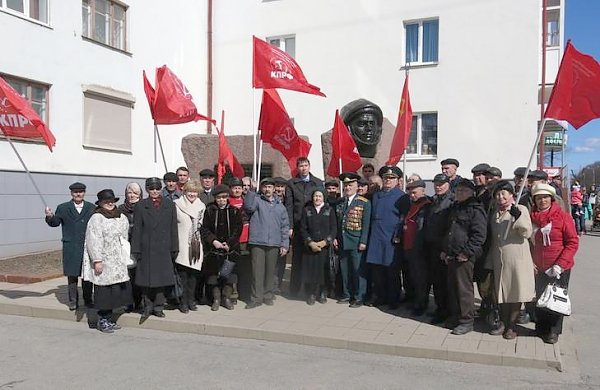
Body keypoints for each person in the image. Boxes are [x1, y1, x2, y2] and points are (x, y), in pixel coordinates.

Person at [485, 181, 535, 340]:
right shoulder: (494, 213)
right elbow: (493, 238)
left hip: (517, 259)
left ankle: (512, 327)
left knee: (515, 293)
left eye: (503, 194)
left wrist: (517, 217)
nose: (500, 197)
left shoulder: (520, 209)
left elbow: (526, 232)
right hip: (499, 259)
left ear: (511, 195)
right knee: (502, 294)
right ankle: (503, 323)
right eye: (497, 194)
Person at [530, 183, 578, 344]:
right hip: (539, 267)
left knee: (556, 299)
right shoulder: (531, 217)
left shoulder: (563, 217)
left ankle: (554, 330)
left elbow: (572, 242)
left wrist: (559, 265)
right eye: (538, 198)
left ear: (551, 199)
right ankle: (541, 327)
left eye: (545, 197)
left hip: (559, 266)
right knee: (541, 297)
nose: (542, 201)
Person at [82, 189, 132, 333]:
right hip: (104, 259)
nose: (110, 203)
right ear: (101, 203)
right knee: (104, 292)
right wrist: (97, 260)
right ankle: (102, 319)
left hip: (117, 259)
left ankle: (110, 318)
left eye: (111, 201)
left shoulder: (121, 216)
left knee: (115, 291)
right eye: (106, 201)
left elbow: (124, 236)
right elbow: (93, 239)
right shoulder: (97, 218)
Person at [442, 179, 487, 335]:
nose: (460, 193)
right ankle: (456, 316)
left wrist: (466, 253)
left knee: (464, 290)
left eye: (464, 191)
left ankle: (467, 321)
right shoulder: (455, 207)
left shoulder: (475, 209)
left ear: (471, 192)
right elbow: (449, 231)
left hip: (465, 256)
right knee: (452, 288)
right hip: (452, 254)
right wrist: (444, 250)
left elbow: (479, 235)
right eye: (458, 190)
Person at [131, 177, 178, 319]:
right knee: (146, 280)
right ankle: (147, 306)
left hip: (164, 248)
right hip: (147, 248)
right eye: (151, 189)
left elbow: (173, 228)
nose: (155, 191)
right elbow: (137, 229)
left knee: (161, 280)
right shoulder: (141, 205)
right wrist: (136, 249)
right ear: (147, 190)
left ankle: (158, 306)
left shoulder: (169, 205)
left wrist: (174, 247)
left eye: (157, 188)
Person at [45, 182, 95, 310]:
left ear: (84, 192)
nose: (78, 194)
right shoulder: (63, 207)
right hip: (71, 246)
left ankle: (88, 300)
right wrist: (50, 216)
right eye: (75, 192)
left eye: (81, 191)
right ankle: (73, 301)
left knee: (87, 275)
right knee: (72, 275)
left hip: (86, 246)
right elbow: (55, 222)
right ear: (71, 193)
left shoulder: (91, 207)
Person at [244, 178, 290, 308]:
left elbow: (285, 226)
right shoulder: (257, 201)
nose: (267, 189)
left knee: (270, 272)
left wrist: (284, 244)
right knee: (257, 272)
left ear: (274, 189)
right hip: (258, 242)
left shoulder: (280, 206)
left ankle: (267, 295)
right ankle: (256, 298)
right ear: (262, 188)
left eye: (270, 187)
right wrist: (252, 191)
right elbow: (248, 206)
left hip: (274, 243)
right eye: (265, 187)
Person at [365, 166, 404, 309]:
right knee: (377, 271)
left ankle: (394, 299)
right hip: (376, 238)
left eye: (392, 178)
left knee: (392, 271)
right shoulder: (376, 195)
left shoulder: (402, 196)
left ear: (397, 180)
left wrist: (398, 235)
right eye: (386, 178)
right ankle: (380, 297)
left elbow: (403, 218)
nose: (388, 180)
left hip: (391, 239)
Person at [285, 157, 323, 298]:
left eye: (306, 165)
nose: (304, 168)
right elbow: (289, 206)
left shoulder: (318, 182)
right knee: (297, 258)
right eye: (301, 166)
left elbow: (322, 204)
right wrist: (290, 226)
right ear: (297, 168)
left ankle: (312, 290)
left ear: (309, 166)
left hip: (313, 225)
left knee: (312, 258)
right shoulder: (291, 184)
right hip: (297, 224)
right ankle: (294, 288)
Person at [201, 184, 243, 311]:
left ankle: (226, 298)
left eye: (224, 197)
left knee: (228, 276)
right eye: (219, 198)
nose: (221, 200)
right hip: (213, 250)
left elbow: (238, 229)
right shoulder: (209, 210)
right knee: (213, 277)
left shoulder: (234, 211)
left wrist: (229, 243)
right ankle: (216, 298)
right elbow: (204, 228)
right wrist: (213, 241)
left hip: (230, 250)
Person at [334, 172, 371, 307]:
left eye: (351, 185)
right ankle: (346, 294)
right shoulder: (340, 202)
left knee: (358, 271)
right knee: (344, 270)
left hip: (356, 241)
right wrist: (335, 238)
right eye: (346, 185)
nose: (348, 187)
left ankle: (359, 296)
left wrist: (363, 241)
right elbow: (337, 223)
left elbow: (366, 224)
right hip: (343, 241)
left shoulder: (364, 203)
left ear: (357, 186)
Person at [423, 174, 454, 324]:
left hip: (444, 248)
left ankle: (446, 311)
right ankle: (439, 307)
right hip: (432, 247)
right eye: (436, 183)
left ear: (448, 184)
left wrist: (446, 248)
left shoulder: (452, 201)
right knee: (436, 280)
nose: (438, 186)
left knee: (444, 282)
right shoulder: (434, 199)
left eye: (442, 183)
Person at [299, 188, 337, 305]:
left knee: (323, 271)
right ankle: (311, 293)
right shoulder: (307, 210)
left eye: (320, 196)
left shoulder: (329, 210)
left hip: (324, 247)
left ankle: (323, 292)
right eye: (315, 196)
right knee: (311, 271)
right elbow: (303, 228)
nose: (317, 198)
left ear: (324, 198)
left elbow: (334, 228)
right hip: (310, 247)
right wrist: (310, 243)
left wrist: (325, 242)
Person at [173, 180, 206, 313]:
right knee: (183, 276)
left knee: (193, 277)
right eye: (189, 191)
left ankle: (191, 300)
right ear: (184, 191)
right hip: (182, 244)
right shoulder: (177, 205)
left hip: (196, 245)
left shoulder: (201, 206)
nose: (192, 194)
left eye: (195, 191)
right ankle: (183, 302)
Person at [401, 179, 432, 316]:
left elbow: (422, 228)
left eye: (414, 192)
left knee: (421, 279)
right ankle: (414, 301)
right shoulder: (413, 205)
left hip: (419, 249)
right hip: (409, 247)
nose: (412, 195)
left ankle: (421, 304)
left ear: (423, 191)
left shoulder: (426, 205)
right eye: (410, 193)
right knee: (412, 277)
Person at [117, 182, 143, 312]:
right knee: (126, 277)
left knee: (139, 276)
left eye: (135, 193)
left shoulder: (144, 207)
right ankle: (127, 302)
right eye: (129, 192)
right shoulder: (120, 209)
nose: (132, 195)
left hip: (140, 246)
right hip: (125, 246)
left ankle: (139, 302)